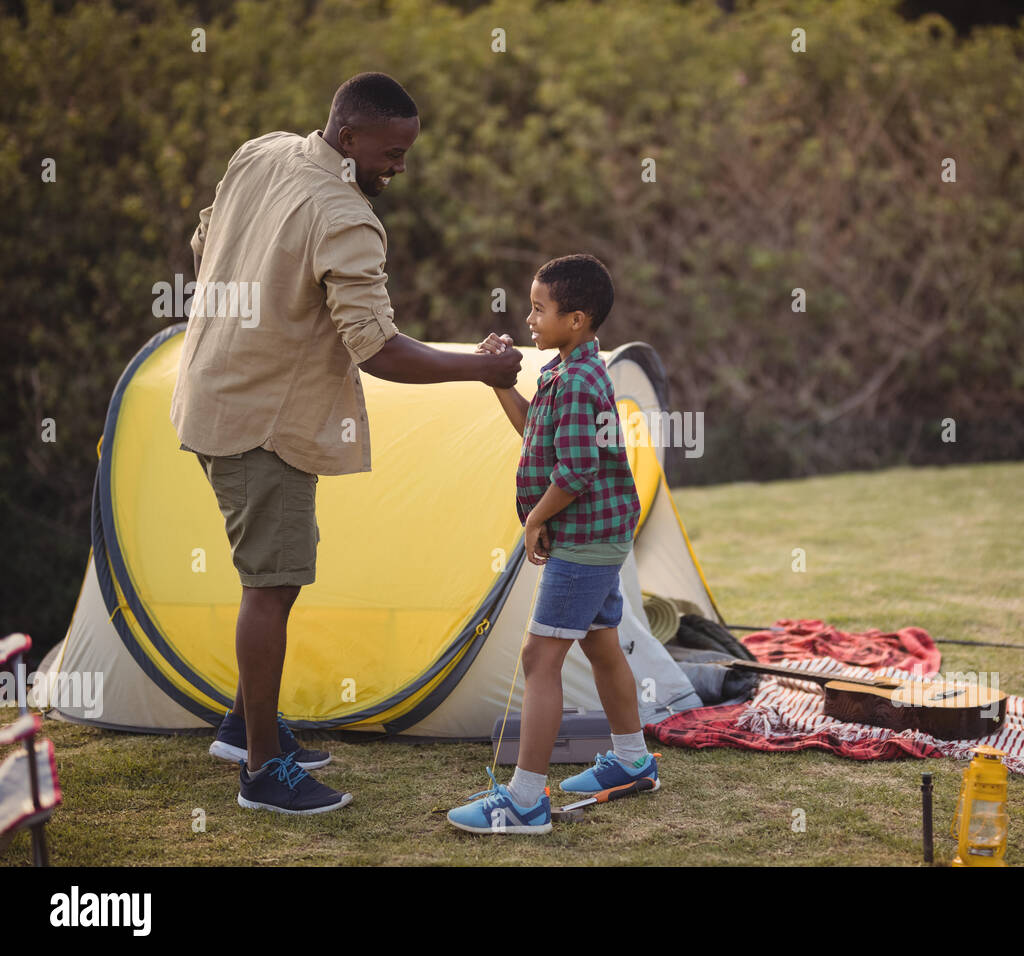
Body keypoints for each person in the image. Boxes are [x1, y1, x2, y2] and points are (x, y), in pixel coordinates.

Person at [171, 72, 522, 815]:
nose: (400, 167)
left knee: (276, 572)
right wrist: (482, 370)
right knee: (272, 584)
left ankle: (246, 726)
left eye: (407, 152)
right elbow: (377, 349)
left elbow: (205, 241)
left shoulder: (261, 153)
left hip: (205, 390)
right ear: (350, 135)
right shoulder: (347, 216)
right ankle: (263, 772)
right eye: (392, 153)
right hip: (263, 422)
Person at [447, 254, 658, 835]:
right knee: (602, 644)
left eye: (540, 309)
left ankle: (524, 802)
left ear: (578, 318)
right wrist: (498, 382)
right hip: (601, 536)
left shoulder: (583, 381)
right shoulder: (563, 373)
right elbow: (533, 430)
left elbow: (578, 470)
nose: (530, 318)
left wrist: (535, 520)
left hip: (584, 541)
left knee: (540, 660)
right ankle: (633, 761)